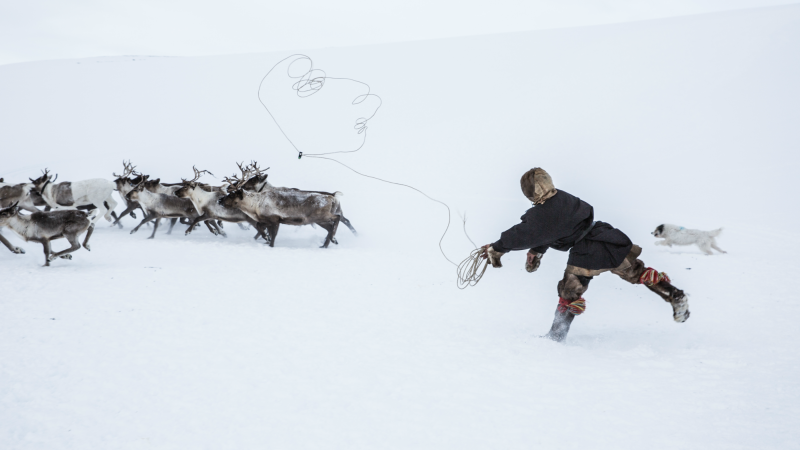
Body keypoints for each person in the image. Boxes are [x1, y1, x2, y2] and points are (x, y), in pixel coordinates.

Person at [481, 168, 689, 342]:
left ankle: (556, 336)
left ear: (530, 192)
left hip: (586, 252)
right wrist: (537, 250)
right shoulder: (562, 198)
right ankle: (674, 295)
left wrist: (497, 247)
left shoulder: (542, 214)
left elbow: (525, 232)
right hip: (605, 238)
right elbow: (554, 229)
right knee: (637, 272)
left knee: (570, 292)